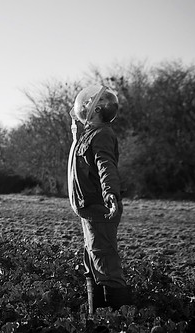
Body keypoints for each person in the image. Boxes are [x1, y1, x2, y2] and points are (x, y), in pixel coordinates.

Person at [67, 85, 133, 314]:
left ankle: (121, 322)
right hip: (89, 210)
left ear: (96, 110)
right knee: (92, 266)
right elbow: (81, 152)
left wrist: (111, 195)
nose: (84, 104)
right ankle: (96, 319)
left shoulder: (102, 134)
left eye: (90, 102)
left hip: (100, 209)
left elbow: (106, 166)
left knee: (106, 268)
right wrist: (76, 129)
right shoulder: (90, 134)